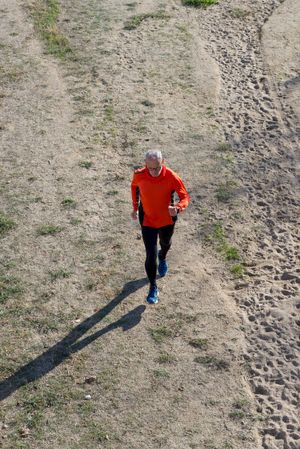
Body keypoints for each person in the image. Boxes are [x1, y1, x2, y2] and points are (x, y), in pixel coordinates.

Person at [131, 150, 190, 304]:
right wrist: (135, 208)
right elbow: (134, 187)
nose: (154, 172)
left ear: (162, 162)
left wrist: (177, 208)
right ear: (146, 164)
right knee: (149, 254)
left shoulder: (171, 176)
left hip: (167, 220)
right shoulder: (139, 174)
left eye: (157, 168)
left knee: (165, 244)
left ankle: (162, 256)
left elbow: (185, 197)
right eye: (150, 168)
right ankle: (153, 286)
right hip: (148, 220)